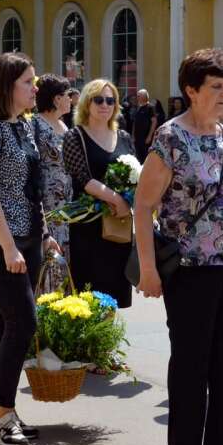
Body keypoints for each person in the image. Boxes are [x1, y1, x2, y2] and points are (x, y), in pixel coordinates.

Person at [134, 48, 223, 445]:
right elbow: (144, 205)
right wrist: (148, 270)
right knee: (192, 361)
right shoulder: (171, 138)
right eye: (217, 87)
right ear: (191, 90)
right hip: (191, 266)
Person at [0, 52, 61, 445]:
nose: (35, 88)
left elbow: (31, 185)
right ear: (8, 86)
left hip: (27, 238)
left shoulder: (23, 127)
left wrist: (42, 234)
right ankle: (2, 411)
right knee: (23, 321)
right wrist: (8, 246)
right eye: (28, 81)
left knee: (9, 324)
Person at [61, 78, 135, 309]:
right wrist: (116, 199)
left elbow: (137, 172)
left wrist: (129, 201)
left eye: (110, 100)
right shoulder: (75, 136)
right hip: (88, 225)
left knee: (115, 292)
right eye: (99, 100)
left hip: (118, 224)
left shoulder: (123, 136)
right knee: (90, 293)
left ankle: (108, 341)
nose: (105, 105)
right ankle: (91, 343)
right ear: (86, 103)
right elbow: (83, 179)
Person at [33, 74, 73, 290]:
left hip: (65, 204)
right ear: (56, 99)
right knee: (48, 259)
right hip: (47, 204)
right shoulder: (36, 124)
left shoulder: (63, 125)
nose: (71, 100)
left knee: (63, 259)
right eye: (68, 95)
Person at [132, 89, 158, 157]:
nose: (137, 97)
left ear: (144, 97)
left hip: (145, 138)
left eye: (138, 96)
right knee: (138, 156)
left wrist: (149, 136)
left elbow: (154, 122)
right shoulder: (139, 108)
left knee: (146, 156)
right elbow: (135, 122)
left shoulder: (150, 107)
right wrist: (133, 135)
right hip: (137, 138)